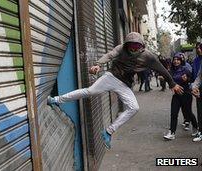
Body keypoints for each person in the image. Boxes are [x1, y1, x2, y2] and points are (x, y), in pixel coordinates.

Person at [47, 32, 183, 149]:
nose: (134, 49)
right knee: (89, 91)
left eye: (137, 46)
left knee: (134, 107)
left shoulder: (148, 56)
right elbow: (110, 55)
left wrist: (172, 84)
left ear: (142, 46)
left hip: (124, 84)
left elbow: (162, 70)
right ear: (126, 45)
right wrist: (98, 65)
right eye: (131, 46)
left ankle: (108, 131)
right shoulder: (121, 49)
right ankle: (55, 100)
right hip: (111, 77)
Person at [163, 53, 198, 140]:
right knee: (173, 113)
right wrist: (171, 85)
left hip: (186, 94)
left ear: (181, 60)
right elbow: (170, 81)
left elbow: (193, 79)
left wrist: (187, 79)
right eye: (174, 59)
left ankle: (195, 127)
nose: (176, 61)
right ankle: (172, 132)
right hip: (176, 95)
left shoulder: (186, 69)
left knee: (188, 113)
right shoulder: (171, 70)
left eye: (178, 59)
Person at [191, 42, 202, 142]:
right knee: (200, 111)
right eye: (197, 48)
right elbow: (198, 76)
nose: (199, 50)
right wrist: (194, 87)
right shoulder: (196, 61)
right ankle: (200, 131)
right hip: (199, 90)